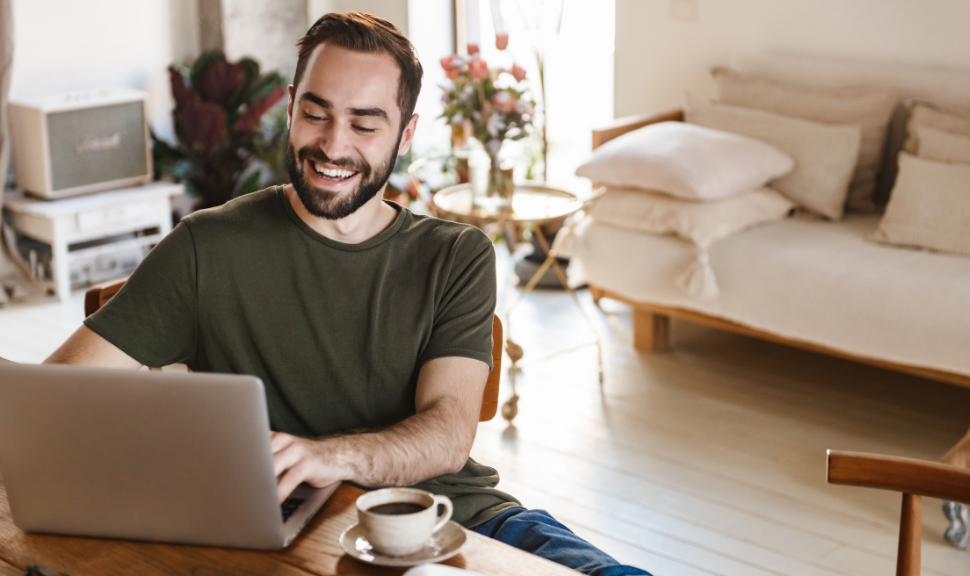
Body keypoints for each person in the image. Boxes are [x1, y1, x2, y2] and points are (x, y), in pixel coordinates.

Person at [45, 12, 651, 576]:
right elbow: (55, 398)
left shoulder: (456, 255)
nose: (333, 147)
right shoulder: (207, 246)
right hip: (280, 537)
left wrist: (332, 457)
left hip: (460, 522)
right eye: (316, 114)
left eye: (365, 124)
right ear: (289, 108)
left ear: (406, 133)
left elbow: (448, 432)